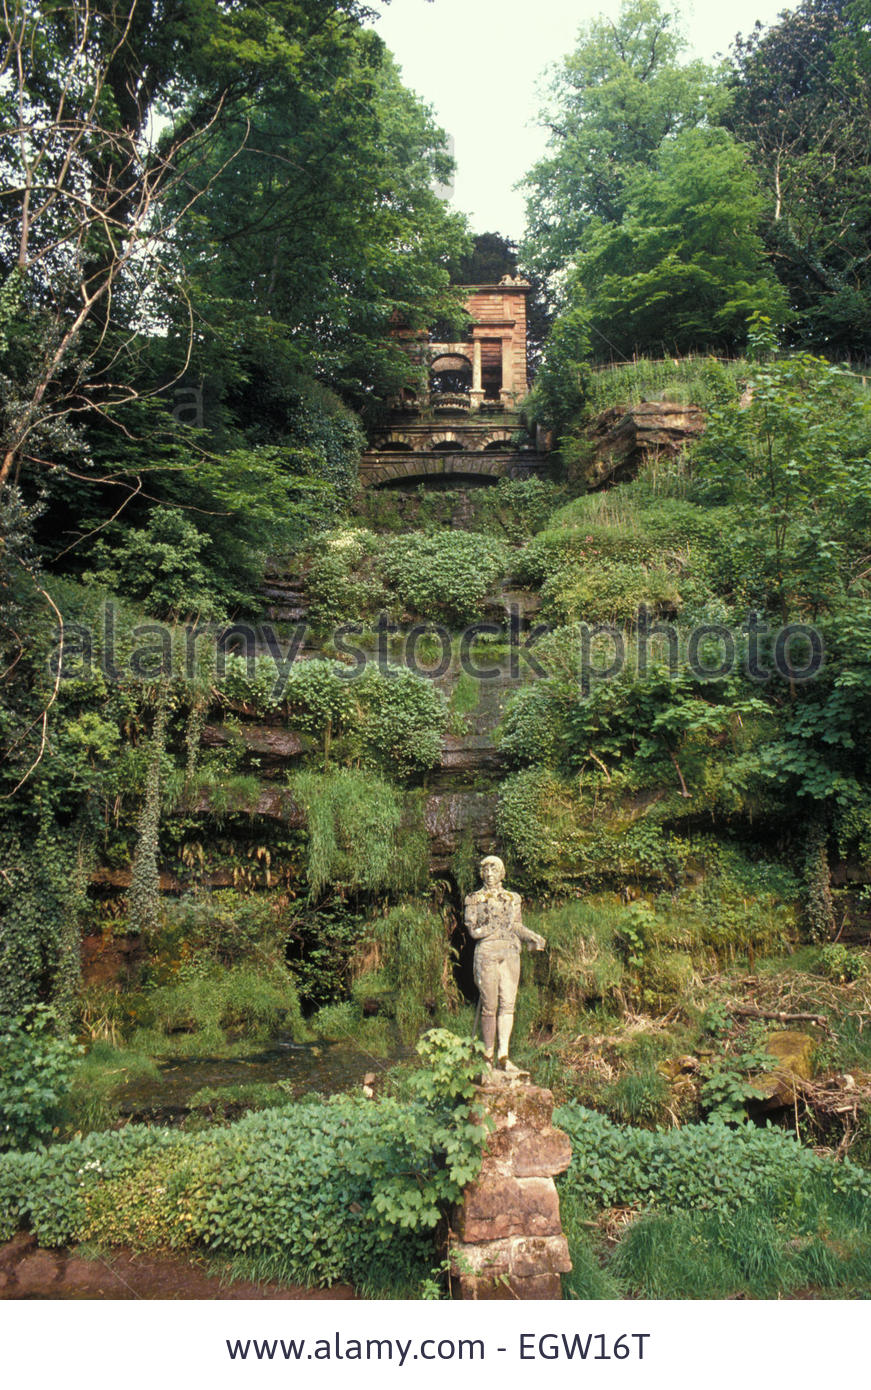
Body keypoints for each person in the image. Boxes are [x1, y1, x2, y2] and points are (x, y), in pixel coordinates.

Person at [464, 855, 545, 1071]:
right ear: (482, 874)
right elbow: (472, 931)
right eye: (486, 871)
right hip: (488, 952)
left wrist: (532, 936)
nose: (489, 875)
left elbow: (516, 925)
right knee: (490, 1006)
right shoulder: (474, 898)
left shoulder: (512, 898)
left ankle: (503, 1055)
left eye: (494, 870)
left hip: (510, 952)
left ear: (501, 873)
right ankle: (488, 1056)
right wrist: (493, 928)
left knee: (508, 1004)